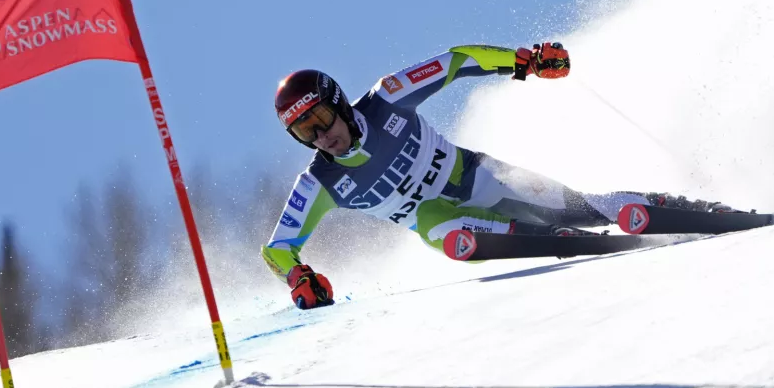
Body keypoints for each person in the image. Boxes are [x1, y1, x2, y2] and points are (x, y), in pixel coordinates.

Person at [262, 43, 734, 309]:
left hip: (482, 177)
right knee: (448, 234)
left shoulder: (387, 96)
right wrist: (298, 277)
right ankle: (556, 237)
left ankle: (693, 211)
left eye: (320, 119)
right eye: (305, 133)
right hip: (441, 222)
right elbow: (277, 247)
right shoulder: (319, 183)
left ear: (338, 102)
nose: (320, 137)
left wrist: (523, 62)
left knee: (578, 206)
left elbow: (456, 61)